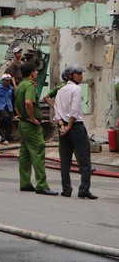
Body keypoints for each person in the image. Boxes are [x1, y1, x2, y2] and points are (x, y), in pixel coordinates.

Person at [53, 64, 97, 199]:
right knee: (84, 160)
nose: (81, 76)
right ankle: (84, 190)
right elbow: (74, 110)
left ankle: (66, 189)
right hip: (76, 126)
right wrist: (69, 126)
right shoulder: (77, 89)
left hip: (63, 127)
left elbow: (56, 110)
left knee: (65, 160)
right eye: (78, 73)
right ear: (70, 75)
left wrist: (62, 125)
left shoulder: (60, 91)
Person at [15, 63, 58, 195]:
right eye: (36, 71)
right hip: (31, 125)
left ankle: (25, 183)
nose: (37, 74)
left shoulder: (19, 86)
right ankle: (42, 185)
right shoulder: (30, 86)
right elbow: (28, 102)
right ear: (32, 73)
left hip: (22, 123)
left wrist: (22, 116)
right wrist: (33, 118)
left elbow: (17, 105)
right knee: (38, 152)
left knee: (25, 154)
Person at [0, 73, 15, 144]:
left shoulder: (11, 89)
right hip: (1, 106)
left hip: (9, 106)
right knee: (6, 117)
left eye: (9, 80)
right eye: (6, 80)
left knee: (10, 123)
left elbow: (12, 98)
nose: (8, 82)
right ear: (3, 80)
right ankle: (0, 119)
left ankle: (7, 139)